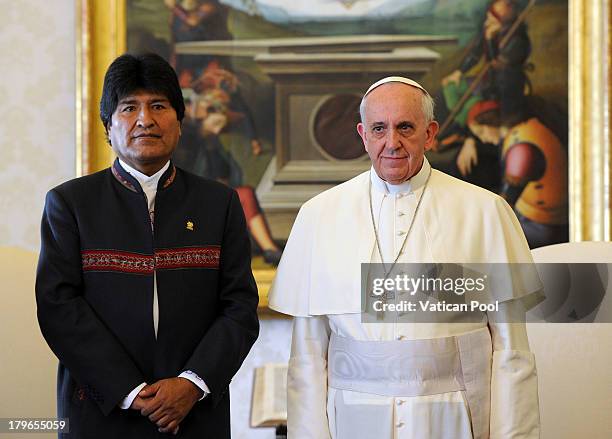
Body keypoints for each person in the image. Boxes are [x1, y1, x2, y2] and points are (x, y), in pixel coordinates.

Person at [268, 76, 541, 438]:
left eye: (405, 128)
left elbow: (512, 355)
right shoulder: (319, 216)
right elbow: (306, 360)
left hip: (453, 419)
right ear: (363, 135)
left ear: (430, 134)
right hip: (354, 421)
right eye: (379, 129)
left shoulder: (485, 211)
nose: (391, 143)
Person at [35, 53, 259, 438]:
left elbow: (239, 307)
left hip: (194, 414)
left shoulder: (219, 203)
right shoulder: (70, 204)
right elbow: (59, 309)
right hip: (101, 413)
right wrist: (132, 390)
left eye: (158, 105)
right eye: (129, 108)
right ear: (108, 125)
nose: (145, 120)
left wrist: (191, 383)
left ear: (180, 121)